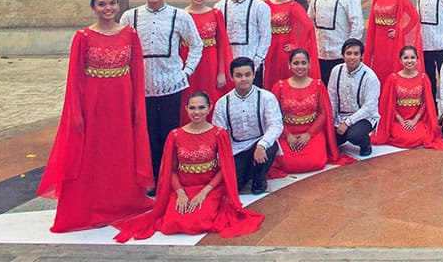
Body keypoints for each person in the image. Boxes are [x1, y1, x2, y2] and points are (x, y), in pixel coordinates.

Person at [39, 0, 153, 233]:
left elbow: (137, 74)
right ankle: (89, 206)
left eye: (112, 3)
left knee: (120, 151)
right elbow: (75, 78)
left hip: (122, 100)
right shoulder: (83, 36)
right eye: (102, 4)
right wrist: (76, 113)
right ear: (93, 8)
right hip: (93, 101)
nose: (108, 8)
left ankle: (122, 203)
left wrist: (136, 108)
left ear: (118, 6)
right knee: (93, 153)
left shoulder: (130, 35)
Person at [113, 91, 264, 243]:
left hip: (209, 189)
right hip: (183, 188)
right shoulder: (175, 135)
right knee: (171, 224)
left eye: (201, 107)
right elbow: (171, 171)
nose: (196, 112)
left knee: (197, 223)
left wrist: (204, 193)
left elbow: (223, 170)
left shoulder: (219, 134)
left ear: (209, 108)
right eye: (192, 108)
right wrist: (180, 193)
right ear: (186, 108)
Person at [120, 0, 202, 179]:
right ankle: (152, 176)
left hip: (171, 84)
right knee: (147, 134)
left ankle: (170, 176)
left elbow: (196, 44)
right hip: (142, 87)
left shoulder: (180, 16)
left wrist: (187, 71)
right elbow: (121, 47)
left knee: (170, 133)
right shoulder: (130, 16)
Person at [268, 48, 352, 174]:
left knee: (317, 162)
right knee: (287, 164)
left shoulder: (317, 85)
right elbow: (273, 116)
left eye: (303, 63)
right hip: (287, 133)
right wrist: (287, 135)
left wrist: (309, 134)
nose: (300, 66)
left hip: (312, 132)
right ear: (289, 65)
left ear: (309, 64)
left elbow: (323, 113)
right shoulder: (279, 86)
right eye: (296, 63)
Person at [211, 57, 283, 195]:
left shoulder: (266, 97)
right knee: (234, 186)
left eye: (247, 75)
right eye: (239, 75)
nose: (243, 79)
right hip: (236, 150)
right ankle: (247, 171)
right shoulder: (222, 102)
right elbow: (219, 133)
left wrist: (262, 145)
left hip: (259, 145)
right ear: (231, 77)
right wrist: (223, 159)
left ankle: (259, 178)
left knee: (271, 145)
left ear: (254, 75)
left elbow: (276, 125)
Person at [377, 46, 443, 150]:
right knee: (403, 138)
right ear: (400, 60)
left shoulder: (423, 78)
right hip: (398, 120)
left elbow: (426, 102)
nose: (409, 61)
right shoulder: (393, 78)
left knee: (421, 137)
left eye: (412, 57)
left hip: (418, 119)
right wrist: (401, 120)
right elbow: (389, 104)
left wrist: (415, 120)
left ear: (417, 59)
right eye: (406, 58)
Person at [308, 0, 363, 84]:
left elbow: (357, 25)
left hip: (340, 53)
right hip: (319, 52)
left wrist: (349, 51)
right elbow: (309, 20)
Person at [216, 0, 271, 87]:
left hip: (252, 63)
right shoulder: (219, 7)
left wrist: (255, 62)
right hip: (226, 65)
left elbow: (265, 37)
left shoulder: (260, 6)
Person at [182, 0, 232, 107]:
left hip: (210, 63)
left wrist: (221, 72)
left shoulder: (216, 14)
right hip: (188, 62)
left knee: (211, 96)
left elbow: (222, 45)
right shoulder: (181, 15)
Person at [264, 0, 318, 90]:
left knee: (282, 76)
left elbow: (308, 27)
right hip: (268, 47)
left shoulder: (293, 6)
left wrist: (297, 45)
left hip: (283, 49)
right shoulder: (264, 5)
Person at [327, 38, 381, 157]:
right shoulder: (336, 70)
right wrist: (331, 121)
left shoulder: (370, 77)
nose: (352, 57)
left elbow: (369, 107)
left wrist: (347, 123)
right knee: (327, 139)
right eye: (349, 53)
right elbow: (332, 97)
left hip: (364, 117)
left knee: (355, 136)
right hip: (340, 117)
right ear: (343, 55)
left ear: (361, 56)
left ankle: (365, 143)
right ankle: (343, 135)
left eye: (356, 54)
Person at [364, 0, 421, 76]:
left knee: (391, 68)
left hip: (392, 41)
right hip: (378, 39)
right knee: (378, 67)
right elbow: (372, 21)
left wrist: (400, 32)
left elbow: (415, 18)